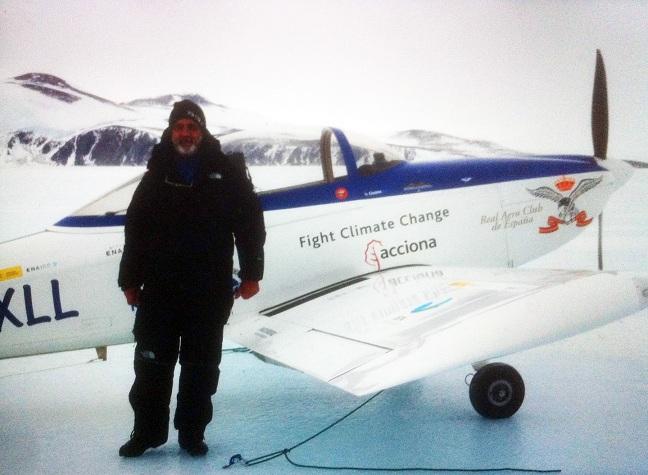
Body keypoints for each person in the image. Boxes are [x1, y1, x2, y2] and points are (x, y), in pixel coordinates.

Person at [117, 99, 265, 457]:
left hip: (209, 288)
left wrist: (251, 274)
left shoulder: (225, 172)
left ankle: (191, 433)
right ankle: (147, 433)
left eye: (192, 127)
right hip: (160, 288)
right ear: (171, 131)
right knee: (151, 364)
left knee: (200, 367)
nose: (185, 133)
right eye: (180, 127)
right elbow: (136, 230)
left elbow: (249, 225)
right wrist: (130, 280)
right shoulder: (156, 175)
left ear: (202, 131)